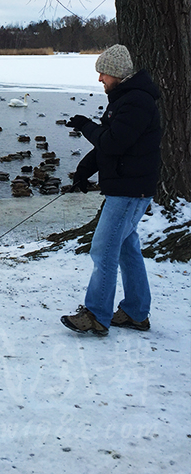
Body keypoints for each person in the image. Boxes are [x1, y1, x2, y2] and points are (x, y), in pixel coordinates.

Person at [61, 44, 161, 337]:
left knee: (103, 250)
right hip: (128, 188)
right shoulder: (124, 100)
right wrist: (83, 172)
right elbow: (108, 144)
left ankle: (96, 314)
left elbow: (113, 142)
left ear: (116, 73)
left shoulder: (136, 103)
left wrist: (85, 126)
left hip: (130, 192)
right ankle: (135, 312)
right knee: (127, 250)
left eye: (103, 73)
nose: (100, 79)